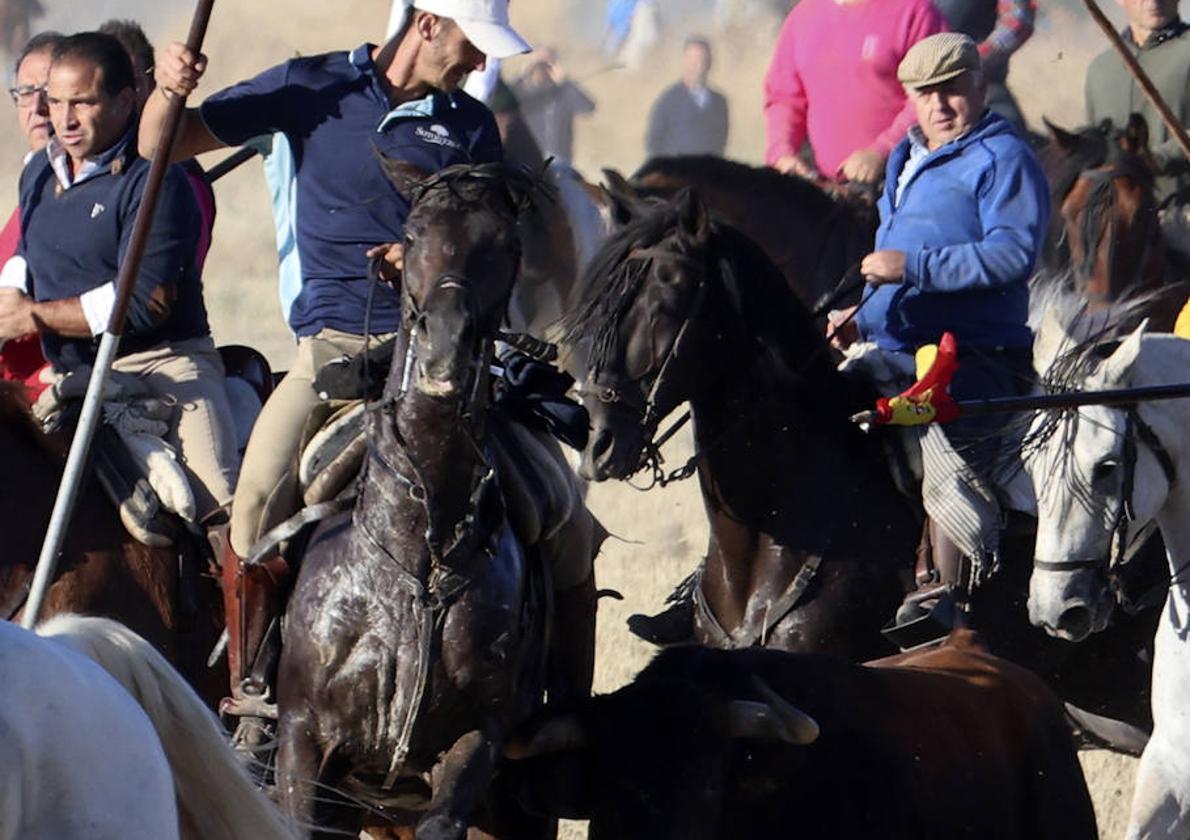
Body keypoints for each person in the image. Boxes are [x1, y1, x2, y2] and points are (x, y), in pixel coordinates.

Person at [143, 0, 598, 740]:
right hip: (334, 349)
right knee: (254, 508)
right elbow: (165, 145)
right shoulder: (307, 89)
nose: (479, 64)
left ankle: (566, 724)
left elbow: (492, 239)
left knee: (573, 524)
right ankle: (257, 697)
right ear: (424, 24)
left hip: (453, 357)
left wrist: (428, 266)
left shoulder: (471, 125)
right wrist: (168, 90)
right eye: (469, 45)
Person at [839, 33, 1049, 635]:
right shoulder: (904, 158)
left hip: (979, 357)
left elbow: (1012, 255)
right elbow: (887, 261)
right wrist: (859, 311)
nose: (939, 104)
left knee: (939, 442)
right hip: (892, 347)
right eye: (925, 93)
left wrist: (914, 267)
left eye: (952, 89)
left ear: (980, 87)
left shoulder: (1003, 158)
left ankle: (942, 600)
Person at [0, 33, 240, 528]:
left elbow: (141, 303)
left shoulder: (160, 180)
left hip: (165, 369)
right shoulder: (40, 172)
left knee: (222, 514)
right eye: (55, 102)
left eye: (83, 103)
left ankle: (253, 600)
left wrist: (34, 315)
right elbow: (26, 249)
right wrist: (10, 294)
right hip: (69, 377)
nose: (63, 120)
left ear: (127, 100)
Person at [763, 0, 946, 184]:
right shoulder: (802, 17)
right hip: (830, 192)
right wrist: (782, 154)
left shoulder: (915, 11)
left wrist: (882, 151)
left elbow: (934, 92)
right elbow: (785, 98)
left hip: (909, 183)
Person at [1085, 0, 1190, 255]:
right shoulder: (1101, 68)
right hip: (1118, 218)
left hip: (1181, 213)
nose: (1154, 1)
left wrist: (1156, 159)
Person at [0, 30, 60, 398]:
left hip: (46, 384)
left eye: (47, 90)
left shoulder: (93, 189)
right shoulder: (33, 184)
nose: (37, 107)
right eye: (25, 92)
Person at [932, 0, 1035, 134]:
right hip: (913, 94)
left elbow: (1019, 20)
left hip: (980, 89)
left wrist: (970, 59)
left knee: (1008, 143)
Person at [644, 36, 729, 159]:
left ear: (710, 62)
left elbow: (721, 141)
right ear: (684, 61)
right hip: (678, 174)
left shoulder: (719, 102)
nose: (698, 65)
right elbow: (654, 143)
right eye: (693, 60)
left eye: (703, 59)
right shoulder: (669, 101)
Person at [512, 47, 595, 163]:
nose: (542, 71)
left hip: (559, 158)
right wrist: (523, 75)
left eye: (548, 66)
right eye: (539, 67)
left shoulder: (563, 92)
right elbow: (508, 103)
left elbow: (589, 108)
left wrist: (565, 81)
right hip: (528, 155)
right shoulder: (524, 91)